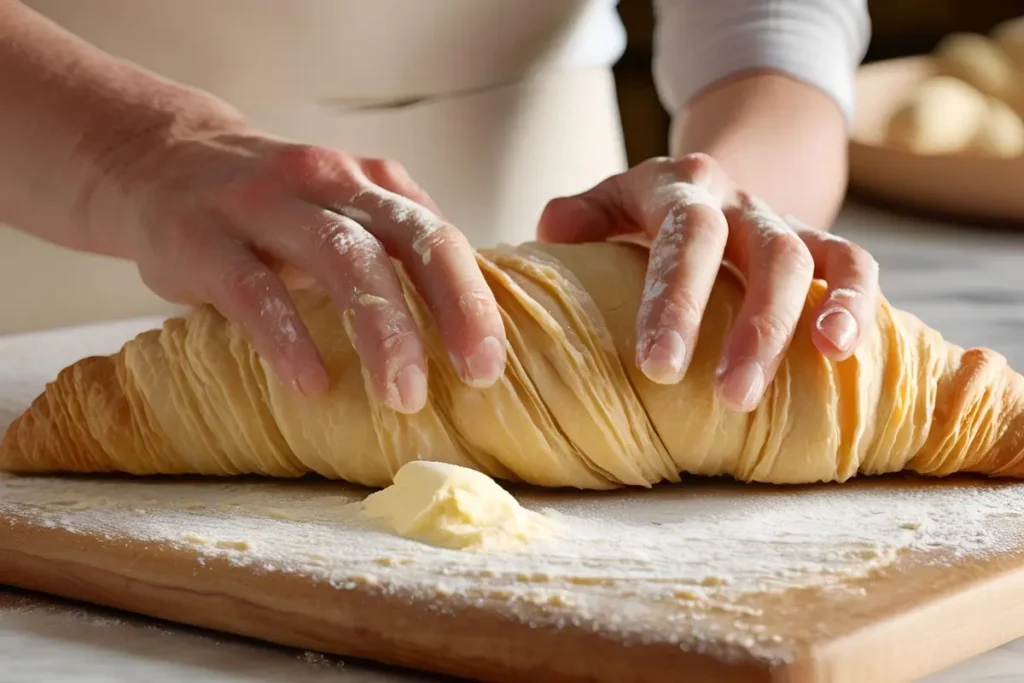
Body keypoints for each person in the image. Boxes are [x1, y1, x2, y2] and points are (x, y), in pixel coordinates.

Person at [0, 0, 879, 418]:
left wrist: (726, 195)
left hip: (574, 289)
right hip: (49, 223)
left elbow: (776, 17)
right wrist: (132, 151)